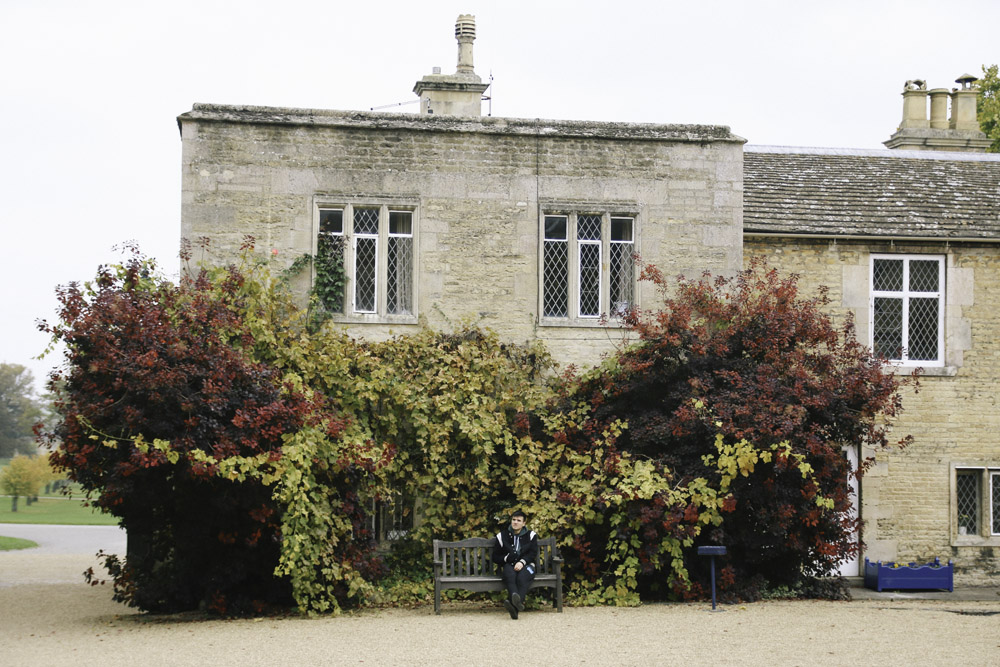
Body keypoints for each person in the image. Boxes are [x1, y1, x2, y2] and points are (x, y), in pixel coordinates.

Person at [491, 509, 538, 620]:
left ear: (524, 523)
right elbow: (495, 557)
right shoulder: (501, 536)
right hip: (509, 565)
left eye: (518, 520)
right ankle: (516, 606)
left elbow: (532, 553)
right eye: (513, 520)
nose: (515, 522)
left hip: (528, 566)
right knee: (509, 575)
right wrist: (506, 558)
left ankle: (513, 607)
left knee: (522, 578)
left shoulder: (531, 535)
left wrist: (522, 562)